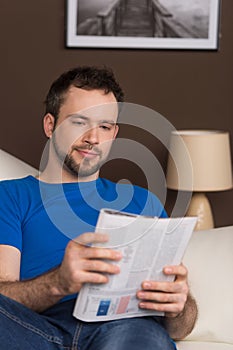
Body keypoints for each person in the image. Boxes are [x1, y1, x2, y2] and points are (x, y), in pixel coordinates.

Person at [0, 66, 197, 350]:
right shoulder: (11, 196)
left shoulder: (142, 202)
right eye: (79, 122)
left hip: (124, 329)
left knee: (147, 337)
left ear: (114, 133)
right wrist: (58, 283)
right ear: (50, 125)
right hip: (37, 331)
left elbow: (181, 328)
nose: (93, 137)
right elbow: (4, 294)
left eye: (104, 126)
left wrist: (178, 306)